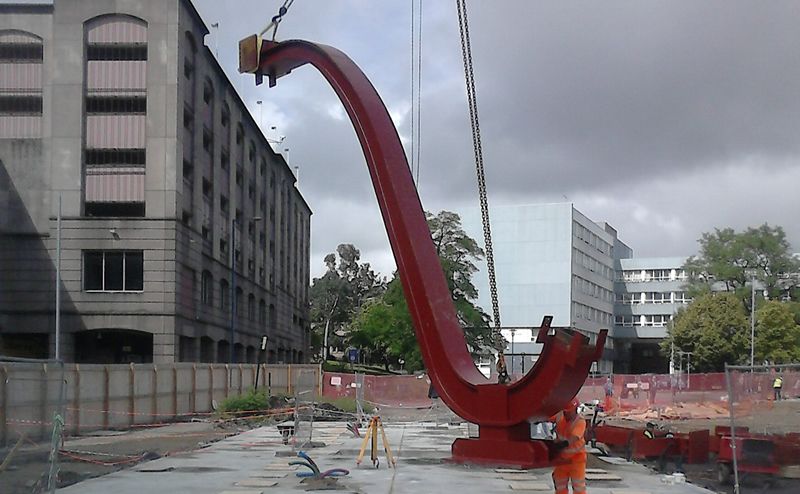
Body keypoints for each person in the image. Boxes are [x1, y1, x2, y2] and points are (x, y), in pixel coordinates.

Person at [552, 398, 586, 494]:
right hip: (561, 460)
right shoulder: (560, 416)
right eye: (565, 412)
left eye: (568, 412)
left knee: (578, 488)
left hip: (576, 460)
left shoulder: (580, 422)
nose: (566, 414)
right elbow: (546, 416)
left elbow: (574, 438)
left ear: (575, 410)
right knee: (560, 487)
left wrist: (561, 444)